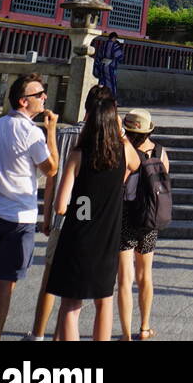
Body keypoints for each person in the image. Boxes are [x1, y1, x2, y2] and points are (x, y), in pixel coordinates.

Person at [0, 73, 59, 340]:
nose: (44, 97)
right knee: (5, 286)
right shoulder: (31, 132)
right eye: (38, 94)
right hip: (20, 218)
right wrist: (51, 131)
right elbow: (51, 168)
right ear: (23, 101)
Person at [47, 91, 140, 341]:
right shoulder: (122, 154)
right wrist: (121, 132)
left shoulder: (79, 155)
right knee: (104, 301)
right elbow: (136, 164)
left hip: (79, 236)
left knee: (71, 305)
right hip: (108, 237)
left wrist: (83, 206)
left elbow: (60, 206)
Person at [24, 84, 110, 341]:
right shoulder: (108, 142)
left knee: (52, 279)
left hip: (63, 217)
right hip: (90, 222)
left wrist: (48, 215)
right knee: (81, 293)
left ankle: (39, 333)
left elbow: (51, 178)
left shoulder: (63, 137)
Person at [117, 109, 170, 340]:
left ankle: (126, 334)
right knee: (145, 275)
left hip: (127, 215)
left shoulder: (126, 151)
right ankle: (145, 327)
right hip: (150, 219)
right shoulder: (160, 151)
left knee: (124, 279)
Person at [94, 32, 124, 98]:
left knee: (103, 82)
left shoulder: (104, 44)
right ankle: (112, 98)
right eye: (115, 38)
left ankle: (101, 97)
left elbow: (99, 55)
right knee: (112, 83)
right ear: (114, 38)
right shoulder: (114, 45)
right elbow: (119, 56)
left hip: (102, 64)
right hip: (110, 66)